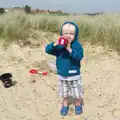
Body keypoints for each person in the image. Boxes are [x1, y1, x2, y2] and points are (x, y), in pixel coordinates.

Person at [45, 21, 84, 116]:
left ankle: (78, 104)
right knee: (64, 92)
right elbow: (48, 50)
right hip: (62, 74)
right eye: (65, 33)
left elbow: (79, 56)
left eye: (71, 34)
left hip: (75, 75)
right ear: (62, 34)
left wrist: (70, 49)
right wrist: (55, 44)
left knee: (77, 92)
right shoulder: (59, 46)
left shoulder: (77, 45)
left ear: (75, 35)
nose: (68, 36)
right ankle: (65, 104)